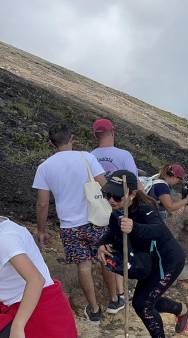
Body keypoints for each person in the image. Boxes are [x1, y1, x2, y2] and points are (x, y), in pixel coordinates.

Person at [32, 123, 118, 322]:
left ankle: (95, 310)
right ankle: (115, 299)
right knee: (105, 258)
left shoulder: (44, 167)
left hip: (70, 226)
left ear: (51, 143)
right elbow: (105, 185)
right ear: (72, 139)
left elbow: (42, 203)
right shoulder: (86, 157)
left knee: (84, 267)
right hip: (95, 219)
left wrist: (41, 230)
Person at [97, 170, 188, 338]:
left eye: (116, 196)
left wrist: (134, 227)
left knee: (143, 305)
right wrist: (101, 244)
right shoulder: (117, 212)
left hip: (169, 260)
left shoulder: (145, 208)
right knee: (142, 302)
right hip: (149, 260)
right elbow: (111, 232)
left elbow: (159, 229)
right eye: (107, 194)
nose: (110, 200)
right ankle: (185, 309)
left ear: (132, 194)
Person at [0, 217, 78, 338]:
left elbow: (36, 280)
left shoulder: (5, 238)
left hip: (37, 315)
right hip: (18, 308)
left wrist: (18, 326)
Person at [91, 117, 136, 311]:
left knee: (109, 248)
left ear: (95, 135)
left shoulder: (90, 155)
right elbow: (135, 184)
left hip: (98, 210)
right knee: (121, 248)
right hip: (119, 209)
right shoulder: (124, 154)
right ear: (113, 132)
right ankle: (122, 293)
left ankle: (119, 294)